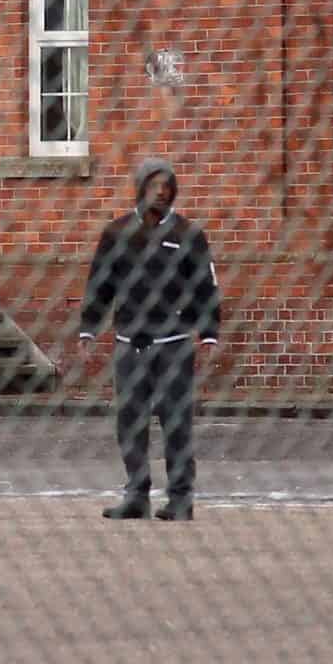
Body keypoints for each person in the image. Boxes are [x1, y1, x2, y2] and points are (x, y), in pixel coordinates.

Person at [72, 158, 220, 521]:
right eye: (154, 186)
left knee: (176, 423)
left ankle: (181, 498)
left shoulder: (189, 235)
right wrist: (89, 328)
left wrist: (209, 334)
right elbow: (100, 284)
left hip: (173, 345)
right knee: (131, 422)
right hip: (129, 345)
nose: (161, 192)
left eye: (167, 186)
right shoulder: (117, 233)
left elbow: (206, 287)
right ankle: (136, 495)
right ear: (140, 189)